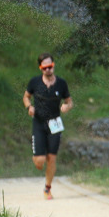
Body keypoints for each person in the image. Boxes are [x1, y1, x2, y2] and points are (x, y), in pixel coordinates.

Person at [23, 53, 73, 200]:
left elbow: (69, 101)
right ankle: (39, 159)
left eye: (50, 67)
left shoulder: (61, 84)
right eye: (45, 68)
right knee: (40, 161)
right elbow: (26, 97)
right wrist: (29, 107)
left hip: (55, 124)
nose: (48, 70)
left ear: (53, 65)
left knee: (52, 157)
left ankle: (47, 188)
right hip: (38, 123)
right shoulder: (34, 82)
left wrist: (66, 107)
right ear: (40, 68)